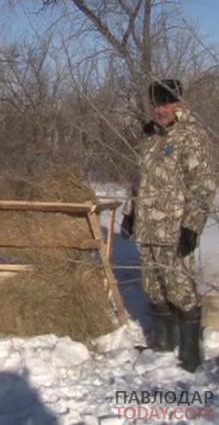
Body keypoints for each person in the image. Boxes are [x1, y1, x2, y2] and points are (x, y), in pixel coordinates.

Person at [121, 79, 217, 372]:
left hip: (175, 230)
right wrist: (130, 214)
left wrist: (192, 226)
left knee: (181, 289)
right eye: (157, 104)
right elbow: (138, 182)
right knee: (153, 288)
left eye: (166, 103)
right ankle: (162, 344)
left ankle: (190, 353)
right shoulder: (150, 140)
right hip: (149, 229)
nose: (160, 110)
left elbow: (203, 184)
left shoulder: (191, 136)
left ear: (178, 103)